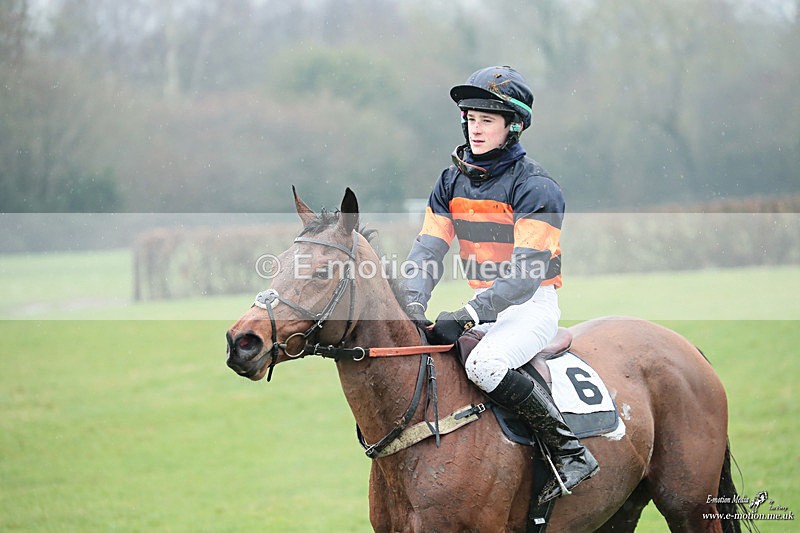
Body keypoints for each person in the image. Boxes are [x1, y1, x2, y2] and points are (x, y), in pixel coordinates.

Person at [402, 65, 598, 502]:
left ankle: (570, 451)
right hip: (486, 307)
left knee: (484, 366)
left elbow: (525, 275)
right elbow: (427, 251)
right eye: (471, 119)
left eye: (487, 120)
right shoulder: (450, 181)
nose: (476, 129)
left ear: (513, 126)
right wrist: (411, 302)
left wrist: (468, 315)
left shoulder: (537, 187)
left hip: (531, 308)